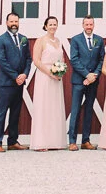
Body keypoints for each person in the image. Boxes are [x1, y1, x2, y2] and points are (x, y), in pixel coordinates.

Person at [0, 12, 31, 152]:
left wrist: (24, 74)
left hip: (20, 83)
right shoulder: (0, 40)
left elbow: (28, 59)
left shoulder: (23, 39)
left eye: (16, 21)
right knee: (1, 112)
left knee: (15, 113)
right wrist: (15, 76)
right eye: (11, 22)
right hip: (6, 83)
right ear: (6, 23)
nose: (14, 24)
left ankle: (12, 141)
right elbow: (2, 61)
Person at [30, 16, 67, 150]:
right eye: (50, 24)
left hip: (56, 78)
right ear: (45, 26)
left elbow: (62, 59)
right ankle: (41, 142)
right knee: (44, 107)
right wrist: (50, 73)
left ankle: (55, 141)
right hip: (44, 76)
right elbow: (36, 60)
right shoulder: (40, 40)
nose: (52, 26)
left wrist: (60, 71)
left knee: (55, 107)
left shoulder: (58, 41)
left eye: (54, 24)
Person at [68, 15, 105, 150]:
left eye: (91, 24)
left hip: (93, 80)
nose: (89, 27)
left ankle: (85, 140)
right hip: (79, 81)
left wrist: (94, 74)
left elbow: (102, 59)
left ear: (93, 25)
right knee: (75, 110)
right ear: (83, 25)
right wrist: (86, 74)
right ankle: (72, 141)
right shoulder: (76, 40)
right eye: (86, 24)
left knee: (89, 110)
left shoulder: (99, 40)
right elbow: (74, 59)